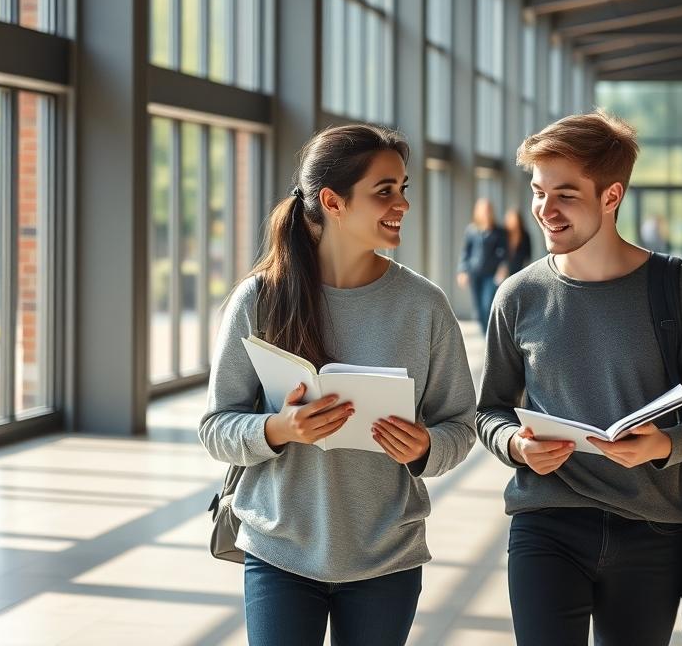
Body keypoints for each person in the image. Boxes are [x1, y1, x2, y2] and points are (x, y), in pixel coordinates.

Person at [198, 125, 477, 646]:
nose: (402, 204)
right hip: (278, 550)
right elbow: (216, 427)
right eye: (385, 190)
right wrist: (278, 429)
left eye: (404, 188)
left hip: (386, 555)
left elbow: (460, 425)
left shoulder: (425, 305)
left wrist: (425, 447)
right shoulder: (259, 299)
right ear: (333, 202)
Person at [476, 112, 682, 646]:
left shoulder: (677, 289)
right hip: (545, 520)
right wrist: (516, 446)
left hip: (653, 529)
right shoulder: (518, 296)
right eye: (538, 192)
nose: (545, 212)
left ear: (611, 195)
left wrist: (664, 444)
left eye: (565, 195)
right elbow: (489, 410)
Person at [458, 198, 508, 334]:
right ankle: (485, 334)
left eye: (488, 210)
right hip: (475, 274)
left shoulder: (499, 232)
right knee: (478, 309)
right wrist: (462, 271)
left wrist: (502, 270)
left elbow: (504, 254)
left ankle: (489, 335)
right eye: (483, 210)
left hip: (491, 274)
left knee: (487, 305)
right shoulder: (471, 230)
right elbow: (465, 253)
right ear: (478, 212)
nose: (486, 213)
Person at [502, 207, 534, 278]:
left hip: (520, 269)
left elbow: (528, 254)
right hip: (505, 270)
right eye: (510, 219)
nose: (512, 222)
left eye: (514, 219)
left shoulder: (525, 235)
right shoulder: (503, 235)